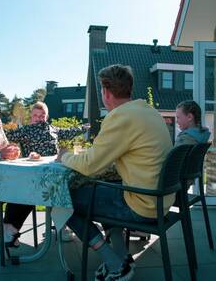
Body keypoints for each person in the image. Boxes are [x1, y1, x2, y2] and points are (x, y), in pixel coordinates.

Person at [56, 64, 173, 281]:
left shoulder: (121, 117)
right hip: (160, 198)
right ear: (129, 88)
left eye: (101, 90)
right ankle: (121, 254)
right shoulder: (148, 111)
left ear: (106, 93)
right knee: (99, 191)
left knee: (63, 200)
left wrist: (64, 156)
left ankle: (115, 263)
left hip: (143, 204)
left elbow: (90, 165)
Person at [2, 101, 89, 244]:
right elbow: (7, 135)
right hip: (34, 173)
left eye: (42, 115)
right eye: (36, 115)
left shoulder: (53, 129)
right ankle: (10, 226)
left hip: (53, 169)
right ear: (31, 117)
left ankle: (62, 226)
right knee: (32, 189)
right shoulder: (25, 130)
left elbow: (69, 132)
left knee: (67, 186)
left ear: (46, 117)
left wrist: (84, 128)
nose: (39, 118)